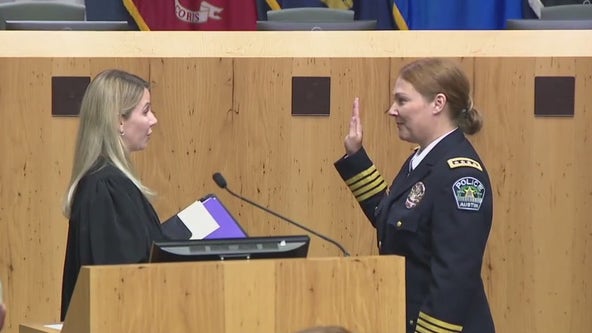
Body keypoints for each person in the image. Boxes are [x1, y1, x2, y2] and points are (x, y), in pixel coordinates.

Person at [334, 58, 494, 333]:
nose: (392, 110)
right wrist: (356, 158)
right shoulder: (423, 160)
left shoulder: (460, 175)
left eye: (402, 100)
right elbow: (392, 218)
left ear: (438, 103)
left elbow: (454, 276)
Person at [60, 69, 190, 320]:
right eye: (145, 111)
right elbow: (125, 277)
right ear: (119, 120)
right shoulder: (107, 187)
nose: (153, 120)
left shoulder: (104, 181)